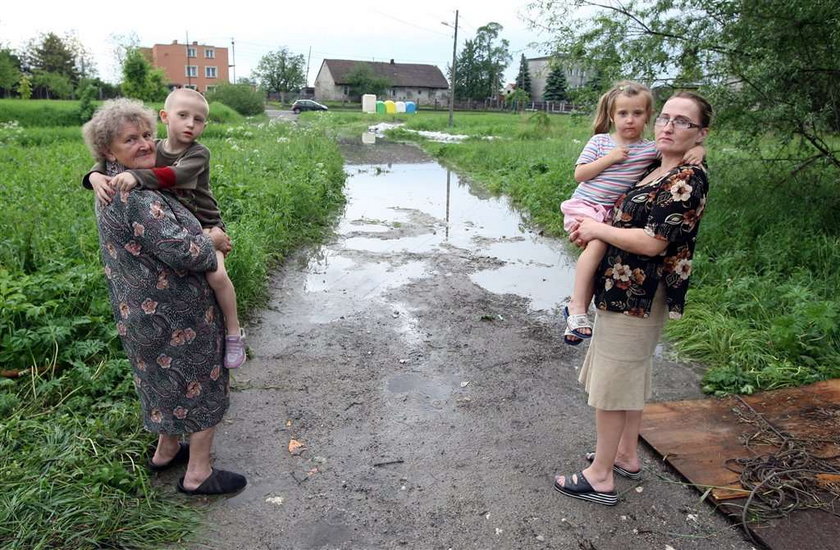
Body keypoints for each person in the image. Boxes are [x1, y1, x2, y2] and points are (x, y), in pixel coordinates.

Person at [553, 91, 712, 505]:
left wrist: (597, 231)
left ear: (699, 132)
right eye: (665, 117)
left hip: (640, 293)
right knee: (627, 377)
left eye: (683, 122)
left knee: (612, 385)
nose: (668, 126)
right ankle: (624, 455)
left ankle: (600, 476)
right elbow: (608, 207)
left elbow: (652, 242)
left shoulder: (687, 179)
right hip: (622, 289)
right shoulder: (657, 167)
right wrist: (588, 230)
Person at [82, 98, 247, 495]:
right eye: (129, 140)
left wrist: (92, 175)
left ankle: (165, 451)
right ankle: (198, 473)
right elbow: (184, 251)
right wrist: (213, 238)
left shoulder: (111, 184)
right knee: (205, 384)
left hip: (141, 314)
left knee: (160, 382)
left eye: (145, 136)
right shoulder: (134, 196)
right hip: (178, 316)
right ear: (108, 150)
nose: (143, 145)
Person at [84, 88, 246, 369]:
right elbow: (104, 156)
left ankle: (234, 332)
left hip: (208, 222)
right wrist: (94, 176)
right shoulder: (156, 148)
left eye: (198, 120)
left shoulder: (198, 153)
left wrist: (136, 175)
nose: (190, 124)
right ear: (165, 117)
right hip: (191, 236)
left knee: (218, 276)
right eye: (183, 116)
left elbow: (175, 175)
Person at [561, 81, 704, 345]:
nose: (630, 120)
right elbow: (579, 174)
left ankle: (576, 312)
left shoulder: (650, 149)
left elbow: (677, 154)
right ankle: (577, 306)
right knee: (597, 246)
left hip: (605, 215)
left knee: (599, 247)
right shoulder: (601, 142)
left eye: (637, 114)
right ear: (612, 116)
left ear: (648, 117)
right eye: (623, 114)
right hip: (584, 205)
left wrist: (698, 149)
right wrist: (611, 158)